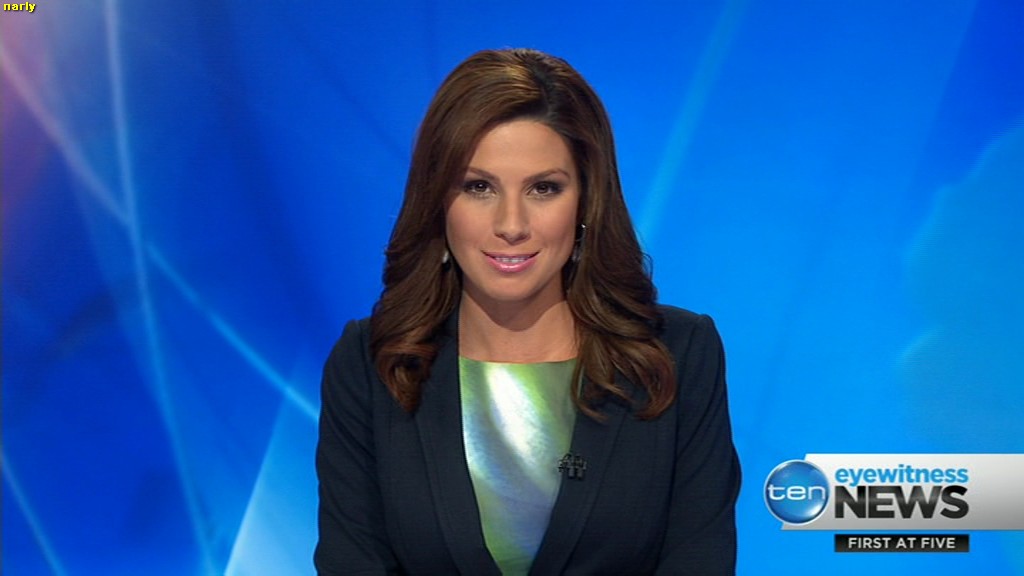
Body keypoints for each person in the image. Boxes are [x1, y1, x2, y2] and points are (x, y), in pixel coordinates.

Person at [315, 48, 740, 575]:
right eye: (478, 187)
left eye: (544, 188)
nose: (511, 225)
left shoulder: (676, 355)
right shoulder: (371, 363)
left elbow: (699, 558)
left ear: (586, 201)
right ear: (438, 201)